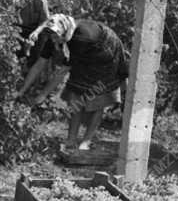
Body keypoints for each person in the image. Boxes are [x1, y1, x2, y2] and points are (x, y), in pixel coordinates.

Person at [20, 14, 130, 152]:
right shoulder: (54, 36)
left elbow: (61, 72)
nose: (53, 39)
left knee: (97, 97)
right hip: (85, 52)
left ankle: (86, 141)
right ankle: (71, 140)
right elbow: (39, 64)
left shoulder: (79, 38)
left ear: (64, 32)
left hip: (105, 50)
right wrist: (22, 90)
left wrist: (42, 95)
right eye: (51, 36)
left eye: (55, 36)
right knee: (75, 96)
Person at [14, 0, 50, 68]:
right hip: (19, 30)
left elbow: (45, 20)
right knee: (16, 58)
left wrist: (36, 32)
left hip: (36, 30)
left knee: (34, 59)